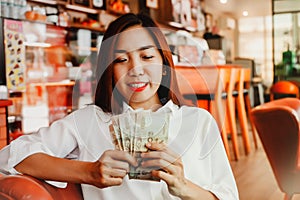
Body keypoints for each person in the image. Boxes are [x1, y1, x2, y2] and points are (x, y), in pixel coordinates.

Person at [0, 13, 238, 199]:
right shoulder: (90, 121)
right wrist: (89, 172)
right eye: (121, 60)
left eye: (147, 57)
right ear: (109, 71)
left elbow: (228, 196)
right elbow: (10, 156)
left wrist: (183, 187)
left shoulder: (198, 122)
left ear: (164, 65)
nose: (135, 70)